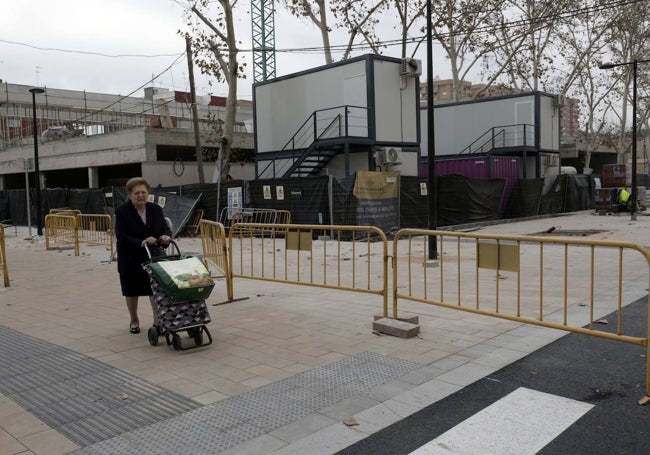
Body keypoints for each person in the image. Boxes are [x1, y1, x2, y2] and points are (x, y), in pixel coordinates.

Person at [115, 177, 171, 334]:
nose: (140, 195)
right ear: (130, 194)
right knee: (131, 290)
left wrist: (165, 237)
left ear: (148, 193)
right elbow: (122, 235)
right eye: (136, 193)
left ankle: (157, 321)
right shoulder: (122, 212)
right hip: (130, 257)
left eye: (143, 192)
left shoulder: (155, 209)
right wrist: (142, 241)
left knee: (155, 291)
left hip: (153, 257)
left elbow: (165, 229)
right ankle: (134, 320)